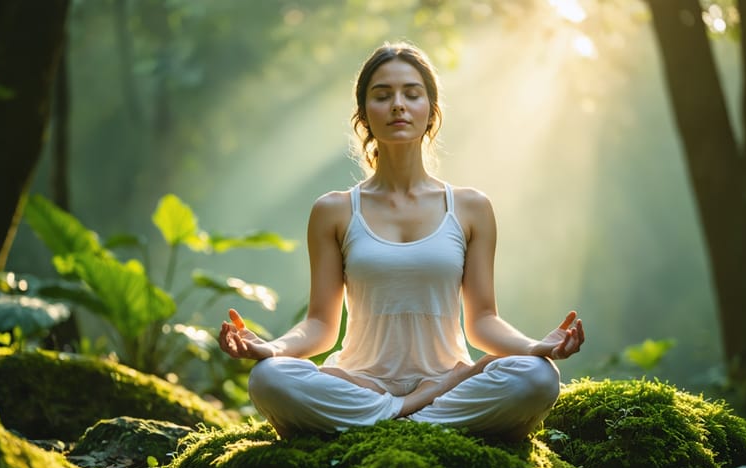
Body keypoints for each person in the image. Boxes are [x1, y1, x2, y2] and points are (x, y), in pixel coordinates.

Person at [218, 41, 585, 441]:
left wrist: (535, 346)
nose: (398, 105)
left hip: (449, 381)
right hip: (360, 383)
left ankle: (383, 422)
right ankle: (412, 414)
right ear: (363, 115)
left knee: (538, 377)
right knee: (269, 379)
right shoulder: (335, 210)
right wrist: (272, 349)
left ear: (431, 111)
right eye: (382, 95)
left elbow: (482, 322)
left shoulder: (470, 207)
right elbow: (321, 326)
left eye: (412, 94)